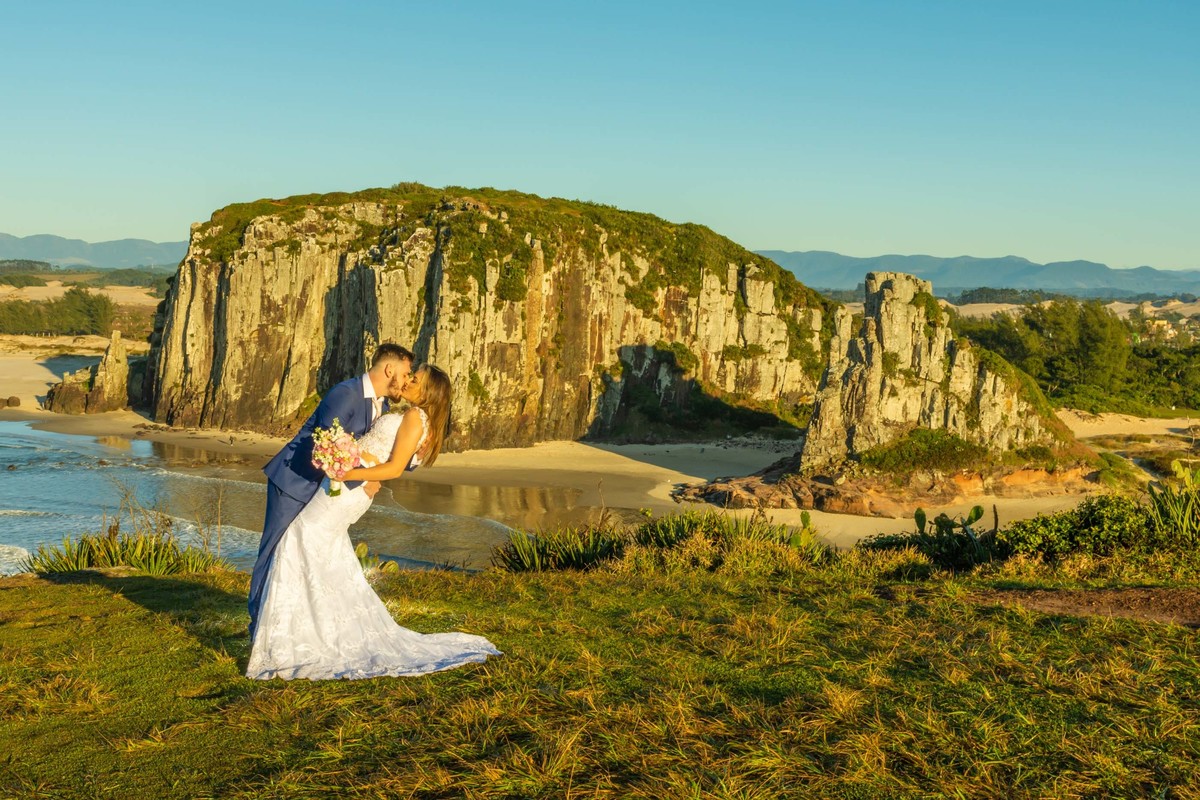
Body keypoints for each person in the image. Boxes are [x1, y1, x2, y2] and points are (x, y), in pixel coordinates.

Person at [245, 363, 501, 680]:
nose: (407, 381)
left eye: (415, 379)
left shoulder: (413, 418)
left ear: (428, 392)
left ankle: (296, 635)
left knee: (299, 539)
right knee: (322, 554)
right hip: (349, 487)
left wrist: (352, 472)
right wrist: (352, 461)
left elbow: (393, 468)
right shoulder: (419, 419)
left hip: (349, 487)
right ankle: (306, 629)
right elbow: (393, 458)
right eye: (410, 375)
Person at [247, 343, 414, 640]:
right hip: (294, 482)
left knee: (300, 555)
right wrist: (364, 476)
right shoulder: (346, 393)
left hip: (326, 492)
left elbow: (373, 448)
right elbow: (325, 444)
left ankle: (292, 624)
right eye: (405, 372)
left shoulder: (383, 405)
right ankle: (258, 627)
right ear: (389, 369)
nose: (406, 380)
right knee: (274, 552)